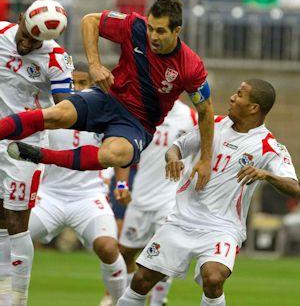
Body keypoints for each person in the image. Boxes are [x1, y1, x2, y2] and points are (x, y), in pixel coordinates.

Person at [0, 0, 214, 196]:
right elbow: (89, 21)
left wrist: (205, 159)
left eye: (160, 31)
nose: (153, 36)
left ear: (177, 31)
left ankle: (39, 155)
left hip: (138, 122)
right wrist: (94, 64)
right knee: (58, 113)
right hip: (109, 98)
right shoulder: (134, 26)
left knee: (113, 155)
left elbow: (206, 111)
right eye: (150, 28)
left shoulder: (191, 67)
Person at [116, 79, 300, 306]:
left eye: (240, 95)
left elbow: (294, 188)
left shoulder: (269, 146)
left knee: (213, 279)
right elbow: (176, 147)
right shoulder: (212, 124)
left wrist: (267, 175)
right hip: (182, 219)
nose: (232, 98)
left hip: (223, 227)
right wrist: (173, 159)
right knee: (142, 280)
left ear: (254, 108)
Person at [28, 64, 127, 305]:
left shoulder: (105, 116)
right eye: (72, 83)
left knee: (108, 248)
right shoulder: (51, 112)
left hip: (88, 197)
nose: (77, 88)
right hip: (49, 196)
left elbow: (121, 153)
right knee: (10, 239)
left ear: (93, 86)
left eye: (83, 83)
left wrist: (122, 185)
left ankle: (122, 301)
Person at [0, 0, 73, 306]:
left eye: (37, 40)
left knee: (16, 221)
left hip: (24, 147)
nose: (29, 43)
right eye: (27, 35)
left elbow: (66, 110)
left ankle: (17, 297)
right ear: (19, 19)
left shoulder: (56, 58)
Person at [101, 100, 197, 306]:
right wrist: (122, 184)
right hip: (141, 198)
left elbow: (203, 151)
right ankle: (124, 298)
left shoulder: (191, 118)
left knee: (162, 256)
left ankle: (157, 302)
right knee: (125, 253)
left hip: (171, 199)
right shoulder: (143, 113)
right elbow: (125, 150)